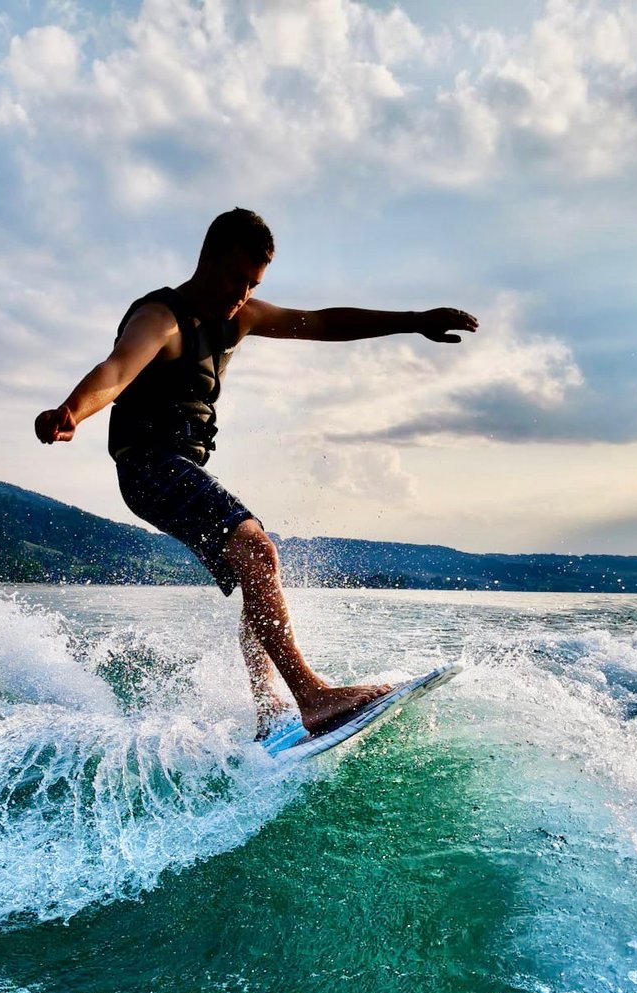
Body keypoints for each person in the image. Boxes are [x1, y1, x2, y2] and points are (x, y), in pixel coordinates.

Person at [35, 208, 477, 738]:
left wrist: (413, 321)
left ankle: (271, 712)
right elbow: (117, 370)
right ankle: (311, 695)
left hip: (178, 467)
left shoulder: (239, 317)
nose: (241, 295)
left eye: (252, 285)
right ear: (207, 259)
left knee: (258, 567)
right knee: (258, 549)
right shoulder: (162, 319)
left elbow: (324, 323)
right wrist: (73, 411)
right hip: (147, 466)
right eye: (234, 279)